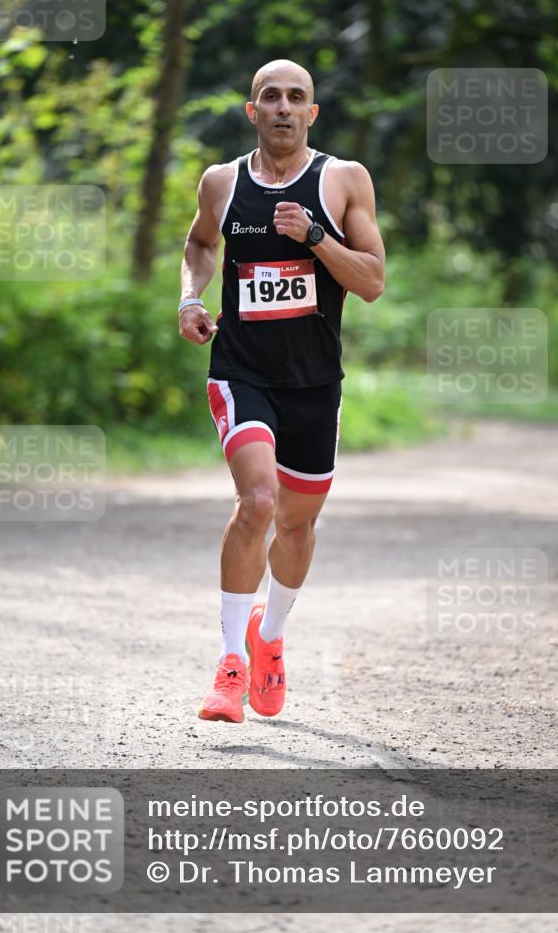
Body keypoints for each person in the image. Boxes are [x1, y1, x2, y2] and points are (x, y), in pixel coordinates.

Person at [179, 59, 385, 723]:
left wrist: (316, 236)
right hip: (240, 370)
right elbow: (198, 245)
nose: (283, 107)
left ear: (311, 113)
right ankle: (230, 665)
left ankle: (270, 639)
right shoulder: (221, 181)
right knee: (258, 501)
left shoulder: (343, 180)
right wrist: (189, 298)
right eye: (270, 97)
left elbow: (372, 281)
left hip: (314, 383)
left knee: (296, 525)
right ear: (252, 110)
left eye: (296, 97)